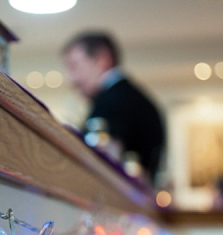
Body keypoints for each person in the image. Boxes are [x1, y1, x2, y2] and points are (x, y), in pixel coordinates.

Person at [62, 32, 165, 184]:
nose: (72, 79)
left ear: (103, 60)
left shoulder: (113, 101)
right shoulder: (129, 95)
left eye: (74, 66)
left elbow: (103, 163)